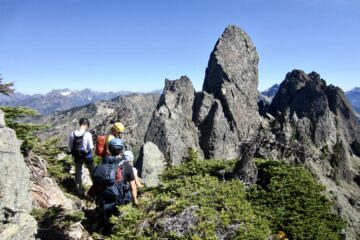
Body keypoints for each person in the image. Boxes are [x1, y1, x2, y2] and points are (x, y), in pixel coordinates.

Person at [68, 118, 95, 196]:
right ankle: (96, 191)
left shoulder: (72, 134)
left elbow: (70, 146)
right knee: (93, 173)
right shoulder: (88, 134)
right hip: (87, 156)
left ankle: (79, 192)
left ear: (80, 124)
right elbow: (90, 147)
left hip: (77, 156)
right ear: (86, 125)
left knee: (78, 173)